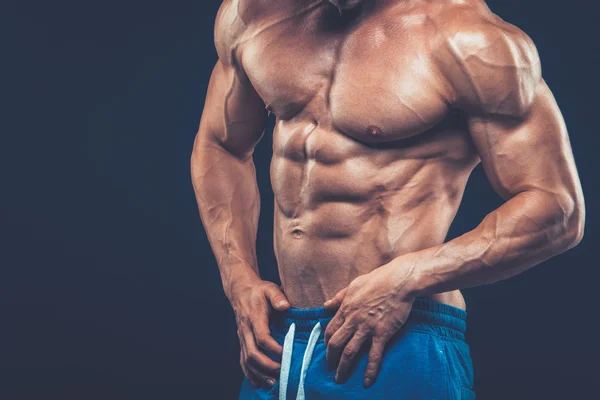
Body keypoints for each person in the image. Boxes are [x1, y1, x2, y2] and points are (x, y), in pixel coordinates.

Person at [190, 0, 585, 398]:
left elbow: (557, 208)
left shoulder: (469, 39)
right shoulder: (254, 14)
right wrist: (238, 278)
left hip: (399, 338)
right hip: (281, 341)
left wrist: (408, 277)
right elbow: (221, 144)